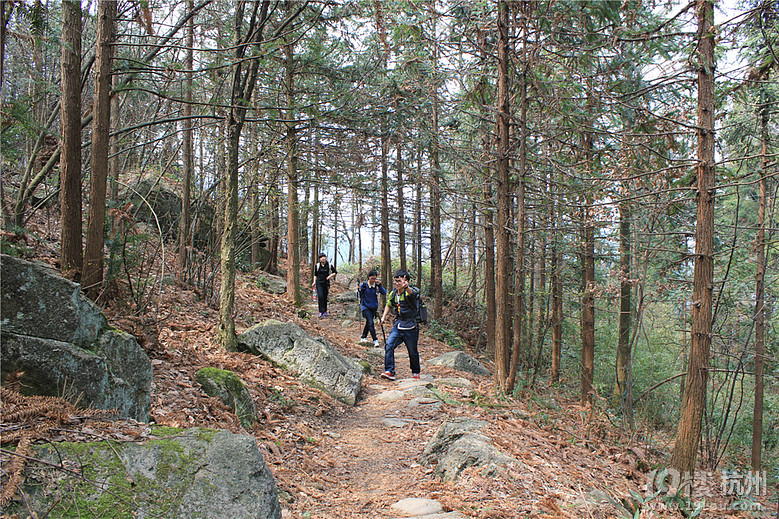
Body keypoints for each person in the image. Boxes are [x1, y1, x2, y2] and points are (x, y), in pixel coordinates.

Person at [378, 269, 421, 381]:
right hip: (398, 325)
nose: (397, 283)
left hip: (411, 326)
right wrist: (383, 317)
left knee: (412, 351)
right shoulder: (393, 293)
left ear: (405, 280)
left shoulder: (410, 291)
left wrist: (406, 287)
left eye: (399, 281)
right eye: (395, 281)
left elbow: (413, 295)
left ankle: (415, 372)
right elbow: (389, 305)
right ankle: (390, 371)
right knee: (389, 345)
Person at [358, 270, 386, 346]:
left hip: (373, 307)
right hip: (365, 307)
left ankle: (363, 337)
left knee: (368, 322)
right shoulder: (364, 285)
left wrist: (380, 285)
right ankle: (375, 339)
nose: (373, 280)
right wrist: (358, 290)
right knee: (371, 322)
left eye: (375, 278)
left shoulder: (376, 286)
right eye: (372, 278)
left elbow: (384, 292)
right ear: (368, 277)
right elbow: (359, 295)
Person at [311, 253, 336, 317]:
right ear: (319, 259)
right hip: (319, 283)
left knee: (325, 297)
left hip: (326, 283)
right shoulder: (317, 265)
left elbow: (335, 272)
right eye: (322, 257)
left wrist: (330, 276)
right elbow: (315, 274)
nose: (323, 258)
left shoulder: (329, 265)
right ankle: (320, 311)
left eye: (324, 257)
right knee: (320, 296)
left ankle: (325, 311)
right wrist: (314, 282)